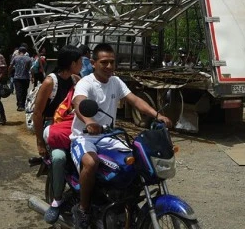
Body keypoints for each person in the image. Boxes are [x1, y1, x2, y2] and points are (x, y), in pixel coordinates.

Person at [69, 43, 173, 229]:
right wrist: (89, 122)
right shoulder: (86, 82)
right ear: (93, 63)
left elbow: (135, 100)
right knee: (91, 163)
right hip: (84, 138)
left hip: (109, 136)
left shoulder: (116, 82)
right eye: (104, 62)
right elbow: (79, 103)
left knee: (135, 160)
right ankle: (83, 209)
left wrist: (157, 115)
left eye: (112, 62)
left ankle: (126, 203)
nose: (109, 66)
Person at [33, 45, 83, 224]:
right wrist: (39, 142)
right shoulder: (50, 82)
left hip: (72, 126)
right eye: (80, 61)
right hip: (52, 127)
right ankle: (56, 200)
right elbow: (37, 113)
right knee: (59, 158)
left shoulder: (77, 80)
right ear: (72, 63)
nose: (82, 64)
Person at [9, 47, 32, 111]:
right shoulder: (28, 59)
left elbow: (10, 66)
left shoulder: (15, 58)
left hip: (17, 77)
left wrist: (8, 73)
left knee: (18, 92)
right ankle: (23, 105)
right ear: (25, 52)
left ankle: (20, 105)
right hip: (26, 78)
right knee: (24, 92)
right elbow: (31, 69)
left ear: (19, 51)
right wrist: (32, 77)